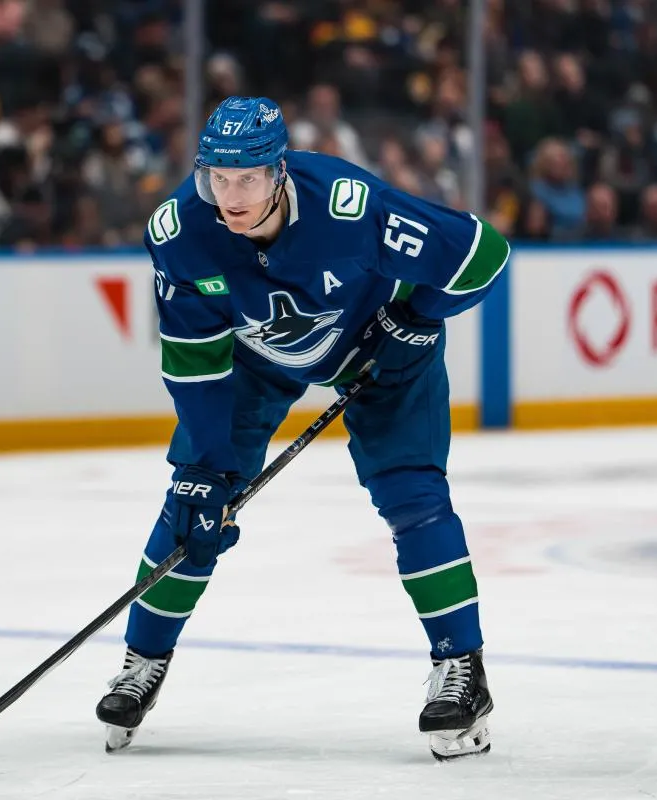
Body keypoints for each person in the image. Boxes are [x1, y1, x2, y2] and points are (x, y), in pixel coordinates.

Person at [95, 96, 510, 761]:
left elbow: (482, 254)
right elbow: (195, 365)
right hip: (259, 360)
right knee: (191, 506)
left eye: (248, 179)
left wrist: (419, 317)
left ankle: (462, 668)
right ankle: (142, 660)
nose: (230, 196)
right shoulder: (180, 233)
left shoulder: (349, 205)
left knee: (412, 496)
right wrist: (205, 468)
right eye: (217, 178)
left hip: (381, 347)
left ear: (279, 171)